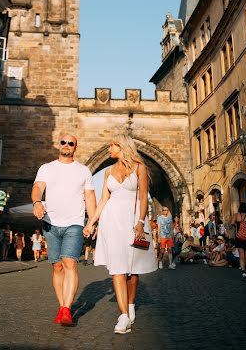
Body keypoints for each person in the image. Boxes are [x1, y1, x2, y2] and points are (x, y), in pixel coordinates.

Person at [84, 134, 157, 335]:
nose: (109, 150)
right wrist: (91, 223)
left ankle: (131, 304)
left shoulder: (140, 168)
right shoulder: (108, 172)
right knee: (117, 267)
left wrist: (141, 222)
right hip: (111, 221)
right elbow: (102, 201)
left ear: (121, 146)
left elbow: (143, 197)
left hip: (133, 221)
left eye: (111, 146)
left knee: (133, 270)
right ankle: (123, 315)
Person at [32, 133, 96, 327]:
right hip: (51, 223)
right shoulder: (46, 168)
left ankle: (67, 309)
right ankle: (62, 305)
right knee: (57, 266)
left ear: (75, 148)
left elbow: (90, 198)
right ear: (58, 145)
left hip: (74, 224)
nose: (67, 145)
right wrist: (36, 202)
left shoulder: (83, 171)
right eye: (64, 142)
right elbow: (37, 188)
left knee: (70, 263)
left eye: (71, 143)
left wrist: (91, 222)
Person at [231, 202, 246, 280]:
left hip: (239, 237)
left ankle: (243, 272)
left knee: (241, 256)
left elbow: (231, 223)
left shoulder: (236, 215)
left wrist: (238, 226)